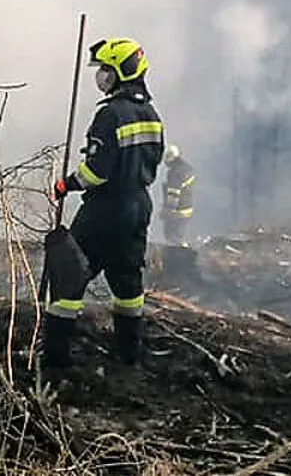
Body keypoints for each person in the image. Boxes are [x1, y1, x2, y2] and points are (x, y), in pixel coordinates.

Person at [46, 37, 164, 369]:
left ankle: (55, 361)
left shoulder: (110, 115)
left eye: (106, 71)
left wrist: (65, 184)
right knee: (128, 285)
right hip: (139, 207)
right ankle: (130, 355)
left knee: (69, 276)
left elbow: (96, 172)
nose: (102, 78)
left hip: (105, 210)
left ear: (122, 72)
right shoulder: (152, 115)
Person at [159, 144, 194, 246]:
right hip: (187, 209)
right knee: (180, 236)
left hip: (176, 211)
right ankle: (182, 252)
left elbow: (173, 194)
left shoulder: (175, 172)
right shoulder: (188, 169)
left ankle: (177, 258)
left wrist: (167, 212)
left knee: (171, 237)